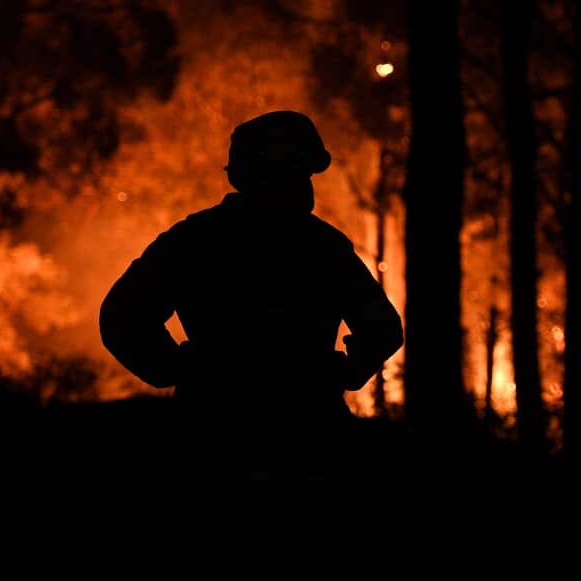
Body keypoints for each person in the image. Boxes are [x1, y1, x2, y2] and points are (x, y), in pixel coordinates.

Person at [100, 110, 403, 473]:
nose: (307, 187)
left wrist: (179, 370)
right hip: (308, 440)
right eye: (302, 174)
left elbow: (122, 315)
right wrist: (341, 374)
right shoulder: (321, 247)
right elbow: (382, 328)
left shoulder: (193, 240)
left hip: (209, 436)